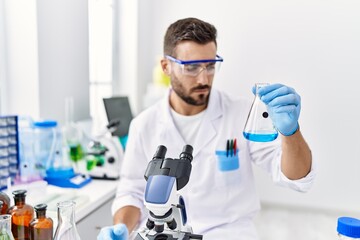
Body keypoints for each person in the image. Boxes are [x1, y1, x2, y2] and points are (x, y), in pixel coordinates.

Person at [97, 17, 315, 240]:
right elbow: (131, 193)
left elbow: (296, 178)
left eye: (210, 66)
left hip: (228, 234)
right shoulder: (144, 125)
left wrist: (291, 133)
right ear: (166, 66)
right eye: (191, 68)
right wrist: (122, 228)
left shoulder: (241, 114)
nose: (204, 78)